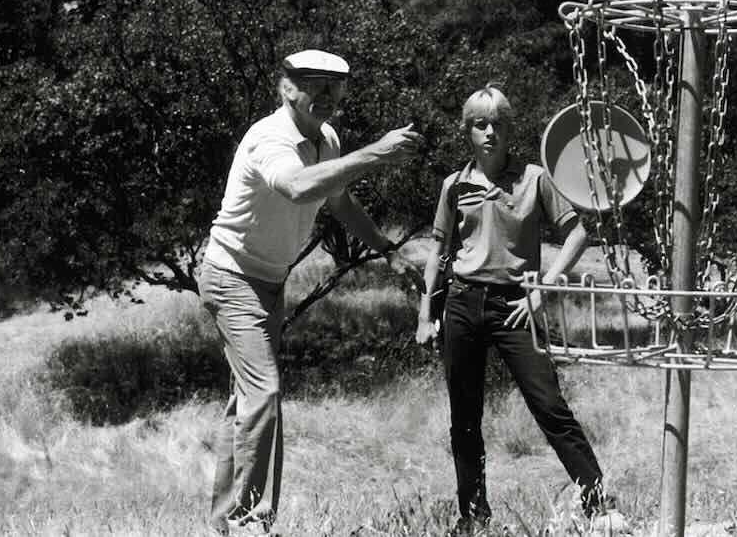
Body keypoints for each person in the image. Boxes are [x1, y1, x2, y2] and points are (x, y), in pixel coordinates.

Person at [198, 49, 423, 536]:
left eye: (333, 85)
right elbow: (300, 188)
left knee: (248, 402)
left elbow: (336, 198)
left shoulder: (326, 139)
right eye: (312, 84)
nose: (324, 95)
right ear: (287, 90)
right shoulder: (269, 138)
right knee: (264, 393)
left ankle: (225, 522)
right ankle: (250, 522)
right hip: (231, 276)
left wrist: (388, 250)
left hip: (268, 281)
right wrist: (376, 153)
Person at [416, 84, 622, 536]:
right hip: (463, 303)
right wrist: (424, 315)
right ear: (467, 130)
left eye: (498, 124)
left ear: (510, 129)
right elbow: (437, 249)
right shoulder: (454, 186)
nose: (489, 132)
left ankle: (599, 505)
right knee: (464, 416)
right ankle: (473, 516)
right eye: (480, 124)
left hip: (517, 305)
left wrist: (542, 290)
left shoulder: (534, 179)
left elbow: (577, 234)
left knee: (549, 404)